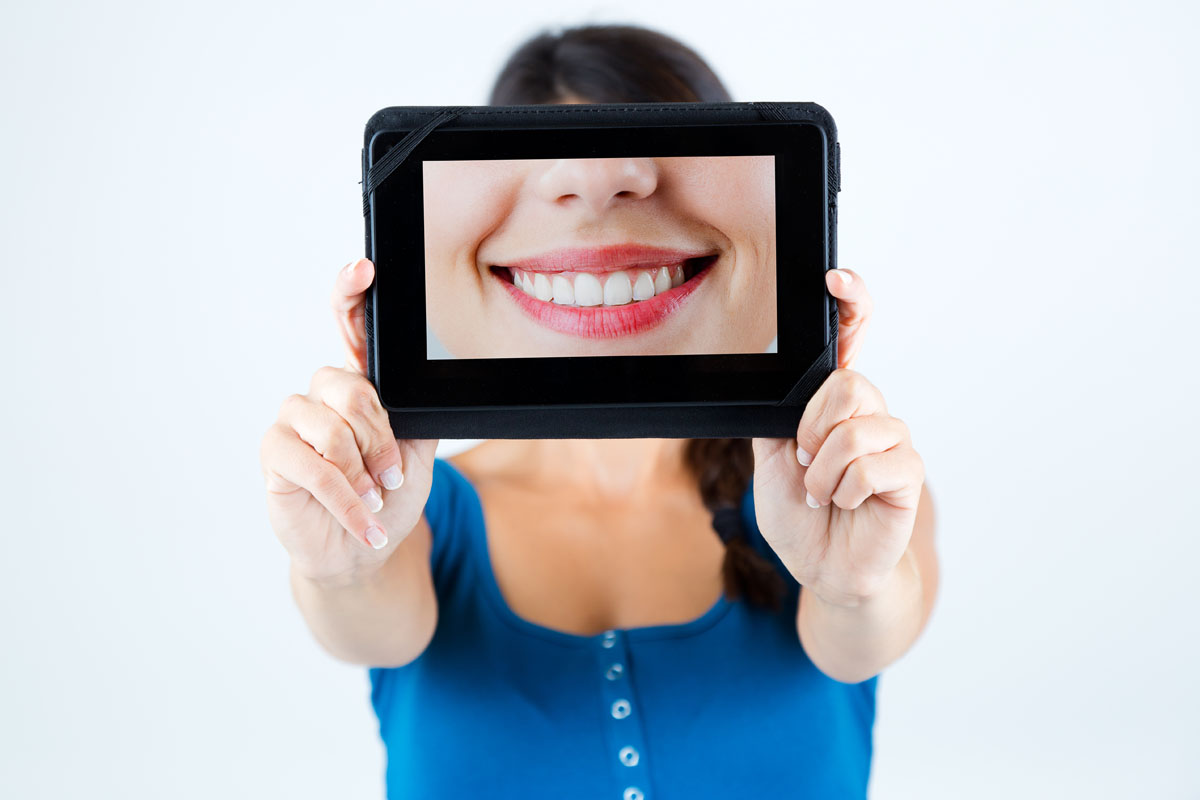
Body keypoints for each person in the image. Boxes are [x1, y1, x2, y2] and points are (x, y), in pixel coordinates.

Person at [259, 22, 938, 800]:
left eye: (654, 141)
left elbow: (865, 638)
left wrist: (854, 589)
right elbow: (366, 622)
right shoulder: (416, 513)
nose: (596, 182)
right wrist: (344, 561)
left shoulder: (854, 494)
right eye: (547, 150)